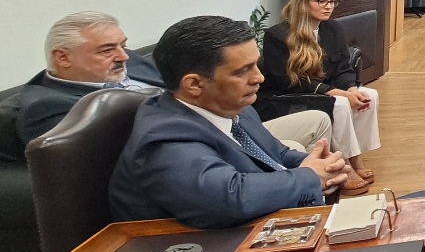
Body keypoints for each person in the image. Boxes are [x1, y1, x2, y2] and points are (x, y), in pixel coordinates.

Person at [108, 16, 350, 229]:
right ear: (194, 84)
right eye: (242, 71)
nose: (259, 77)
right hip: (194, 251)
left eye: (256, 64)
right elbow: (229, 198)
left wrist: (325, 168)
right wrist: (309, 177)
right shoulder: (165, 137)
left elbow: (278, 155)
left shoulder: (234, 107)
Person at [16, 12, 331, 156]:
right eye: (107, 50)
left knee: (317, 123)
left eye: (123, 45)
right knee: (292, 154)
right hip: (194, 145)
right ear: (63, 57)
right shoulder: (46, 107)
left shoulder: (131, 62)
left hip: (226, 121)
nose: (123, 56)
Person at [258, 0, 380, 196]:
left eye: (332, 2)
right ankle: (345, 163)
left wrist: (351, 89)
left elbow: (342, 67)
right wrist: (336, 93)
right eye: (321, 1)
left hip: (326, 89)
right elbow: (285, 79)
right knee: (339, 103)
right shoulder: (277, 35)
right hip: (288, 96)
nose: (328, 7)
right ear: (303, 2)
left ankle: (356, 154)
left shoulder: (333, 29)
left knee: (369, 95)